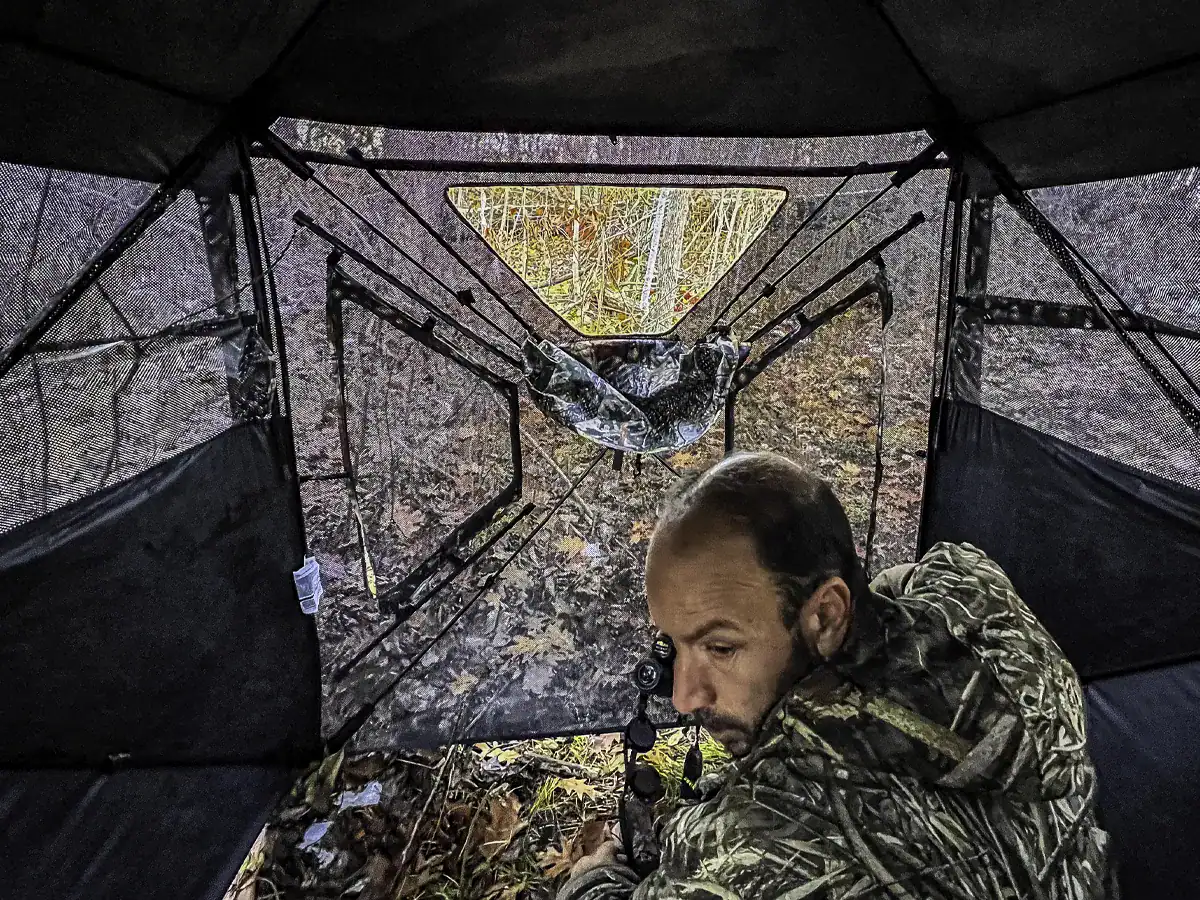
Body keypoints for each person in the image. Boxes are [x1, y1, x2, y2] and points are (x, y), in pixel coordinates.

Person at [559, 451, 1114, 900]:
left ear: (825, 614)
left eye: (720, 647)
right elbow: (906, 585)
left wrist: (593, 878)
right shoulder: (977, 600)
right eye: (671, 647)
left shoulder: (756, 846)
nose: (683, 695)